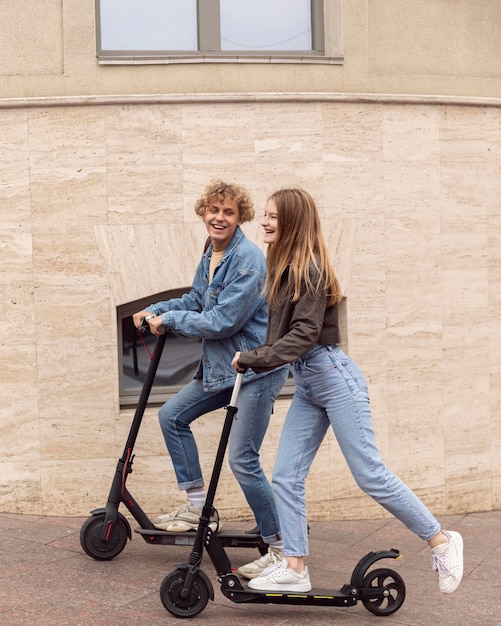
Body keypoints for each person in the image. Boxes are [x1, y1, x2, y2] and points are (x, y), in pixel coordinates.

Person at [232, 188, 464, 594]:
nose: (264, 223)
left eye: (272, 216)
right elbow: (285, 336)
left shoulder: (312, 268)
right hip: (307, 384)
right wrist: (258, 354)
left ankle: (441, 540)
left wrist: (256, 358)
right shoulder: (282, 266)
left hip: (334, 378)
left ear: (292, 222)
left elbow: (304, 333)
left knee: (369, 474)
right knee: (286, 476)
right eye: (265, 216)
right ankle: (295, 567)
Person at [132, 180, 287, 553]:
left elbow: (222, 321)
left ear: (240, 218)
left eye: (228, 212)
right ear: (204, 212)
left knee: (243, 460)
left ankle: (282, 546)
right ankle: (200, 509)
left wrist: (169, 322)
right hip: (221, 368)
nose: (219, 218)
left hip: (253, 372)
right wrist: (159, 310)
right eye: (214, 210)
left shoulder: (248, 260)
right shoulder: (212, 251)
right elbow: (197, 298)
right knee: (171, 416)